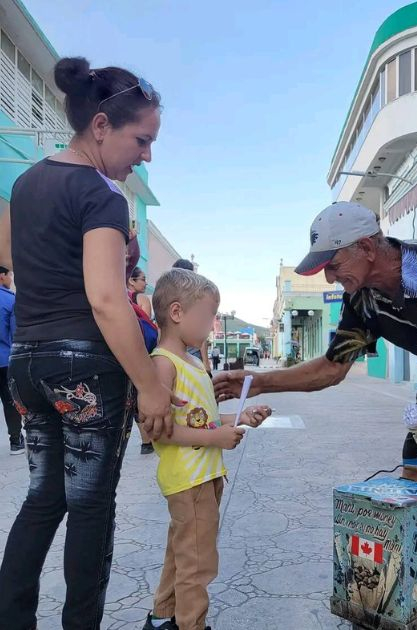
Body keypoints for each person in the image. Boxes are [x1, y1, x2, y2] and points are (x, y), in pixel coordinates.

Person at [214, 202, 417, 630]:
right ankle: (411, 586)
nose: (331, 278)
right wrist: (259, 381)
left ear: (367, 247)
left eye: (333, 265)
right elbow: (333, 368)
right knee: (416, 464)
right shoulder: (363, 299)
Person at [0, 56, 179, 630]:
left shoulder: (27, 184)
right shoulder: (101, 196)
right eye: (142, 140)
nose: (147, 155)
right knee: (90, 509)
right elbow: (106, 299)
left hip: (28, 361)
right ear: (101, 126)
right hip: (83, 368)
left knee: (44, 497)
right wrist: (150, 387)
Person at [143, 268, 269, 630]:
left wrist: (239, 417)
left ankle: (161, 618)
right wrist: (215, 439)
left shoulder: (192, 362)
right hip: (189, 479)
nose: (212, 324)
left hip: (205, 476)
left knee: (181, 555)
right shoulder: (163, 365)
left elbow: (203, 420)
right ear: (178, 313)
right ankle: (191, 625)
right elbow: (161, 433)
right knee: (198, 564)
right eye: (208, 315)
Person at [130, 266, 159, 455]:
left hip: (121, 353)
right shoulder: (140, 299)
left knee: (132, 399)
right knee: (143, 394)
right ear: (131, 280)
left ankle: (145, 440)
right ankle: (150, 439)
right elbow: (146, 327)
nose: (145, 283)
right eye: (142, 279)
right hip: (142, 354)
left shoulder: (118, 297)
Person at [171, 258, 211, 373]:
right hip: (181, 358)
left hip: (184, 358)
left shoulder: (196, 300)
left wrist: (206, 364)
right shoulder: (195, 299)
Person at [0, 265, 19, 455]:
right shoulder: (9, 300)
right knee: (9, 400)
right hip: (5, 360)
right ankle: (15, 441)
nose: (11, 277)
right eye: (10, 274)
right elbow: (15, 334)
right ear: (2, 276)